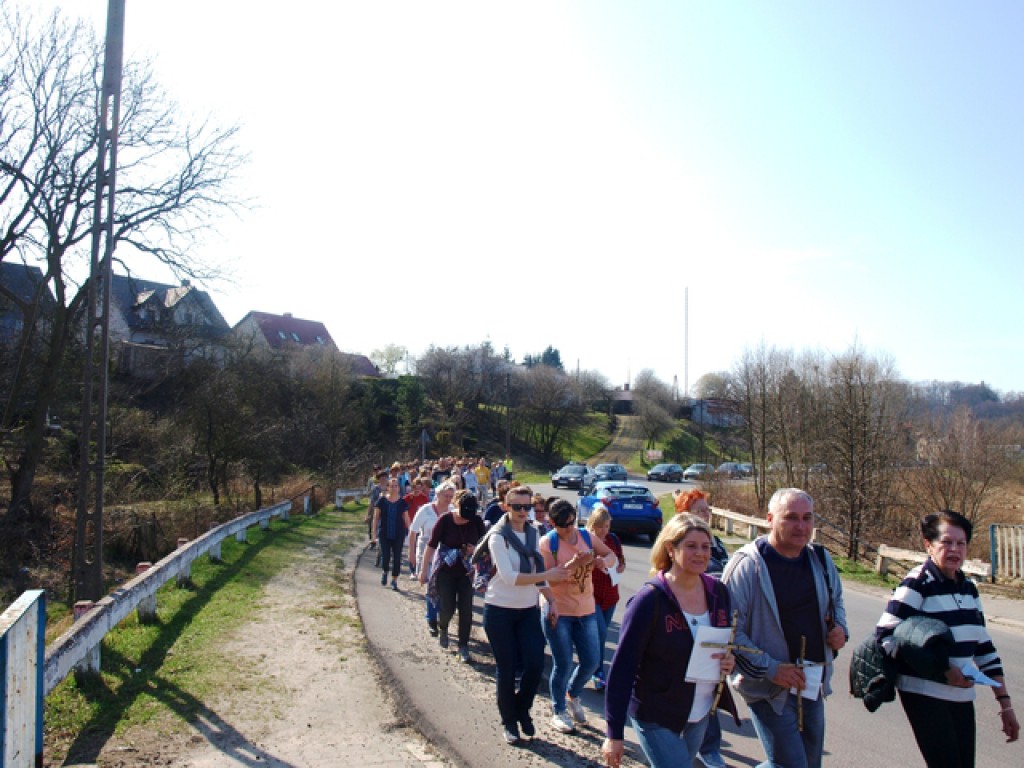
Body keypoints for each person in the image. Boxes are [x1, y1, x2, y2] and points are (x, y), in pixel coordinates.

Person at [875, 509, 1019, 767]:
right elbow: (886, 636)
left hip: (961, 694)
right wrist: (943, 670)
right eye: (946, 542)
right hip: (924, 693)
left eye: (961, 543)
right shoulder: (918, 583)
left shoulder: (969, 589)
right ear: (929, 546)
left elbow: (984, 648)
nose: (954, 549)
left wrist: (1005, 705)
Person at [720, 488, 848, 768]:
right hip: (768, 688)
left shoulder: (821, 559)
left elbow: (836, 601)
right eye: (791, 518)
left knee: (809, 764)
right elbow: (729, 631)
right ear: (769, 519)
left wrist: (840, 629)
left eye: (807, 518)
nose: (801, 526)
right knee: (791, 765)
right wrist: (772, 669)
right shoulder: (747, 565)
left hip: (811, 681)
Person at [602, 514, 739, 768]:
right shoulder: (649, 600)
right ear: (671, 549)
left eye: (705, 547)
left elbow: (724, 642)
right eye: (691, 546)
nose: (700, 553)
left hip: (700, 712)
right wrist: (614, 733)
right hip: (656, 713)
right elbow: (622, 669)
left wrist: (728, 660)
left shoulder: (719, 592)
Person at [474, 485, 572, 745]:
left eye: (526, 507)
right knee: (506, 669)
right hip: (499, 610)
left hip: (528, 609)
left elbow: (538, 574)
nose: (522, 511)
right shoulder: (498, 535)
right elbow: (509, 577)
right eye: (516, 506)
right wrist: (547, 576)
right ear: (506, 506)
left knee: (535, 665)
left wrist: (552, 601)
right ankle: (509, 722)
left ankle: (521, 709)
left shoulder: (535, 532)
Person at [539, 498, 618, 733]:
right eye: (564, 525)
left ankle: (572, 693)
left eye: (573, 522)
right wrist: (574, 564)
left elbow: (611, 555)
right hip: (559, 609)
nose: (569, 529)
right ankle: (559, 710)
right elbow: (547, 577)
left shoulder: (585, 536)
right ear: (552, 522)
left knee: (592, 661)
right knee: (563, 663)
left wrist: (604, 561)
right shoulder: (548, 543)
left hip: (586, 608)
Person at [675, 488, 729, 767]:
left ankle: (708, 748)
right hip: (686, 625)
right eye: (699, 510)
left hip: (714, 623)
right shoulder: (675, 545)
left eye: (707, 509)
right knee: (687, 689)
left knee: (710, 688)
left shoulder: (717, 544)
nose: (706, 514)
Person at [419, 489, 485, 663]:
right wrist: (423, 570)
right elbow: (431, 546)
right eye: (464, 513)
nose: (467, 518)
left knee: (466, 610)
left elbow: (484, 546)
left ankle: (463, 646)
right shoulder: (445, 520)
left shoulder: (476, 521)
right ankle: (443, 626)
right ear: (457, 506)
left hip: (466, 572)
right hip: (445, 570)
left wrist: (474, 550)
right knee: (447, 608)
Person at [586, 504, 625, 691]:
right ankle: (598, 672)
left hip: (610, 595)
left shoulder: (614, 540)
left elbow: (621, 560)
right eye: (600, 526)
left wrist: (619, 567)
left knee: (601, 634)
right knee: (600, 633)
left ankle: (596, 668)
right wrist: (594, 563)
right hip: (591, 596)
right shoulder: (585, 541)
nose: (604, 530)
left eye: (607, 526)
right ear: (593, 524)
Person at [408, 480, 455, 636]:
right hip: (426, 552)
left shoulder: (452, 511)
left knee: (443, 587)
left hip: (445, 554)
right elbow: (413, 531)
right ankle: (432, 619)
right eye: (446, 495)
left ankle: (442, 618)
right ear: (438, 494)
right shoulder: (426, 510)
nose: (448, 499)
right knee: (431, 586)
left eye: (451, 496)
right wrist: (412, 553)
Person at [370, 477, 410, 591]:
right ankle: (385, 571)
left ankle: (394, 580)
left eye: (396, 486)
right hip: (384, 533)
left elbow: (406, 519)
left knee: (397, 557)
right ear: (387, 488)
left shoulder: (402, 503)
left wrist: (412, 533)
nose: (394, 488)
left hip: (398, 534)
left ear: (399, 488)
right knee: (386, 555)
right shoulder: (382, 501)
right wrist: (374, 534)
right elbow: (376, 518)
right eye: (391, 486)